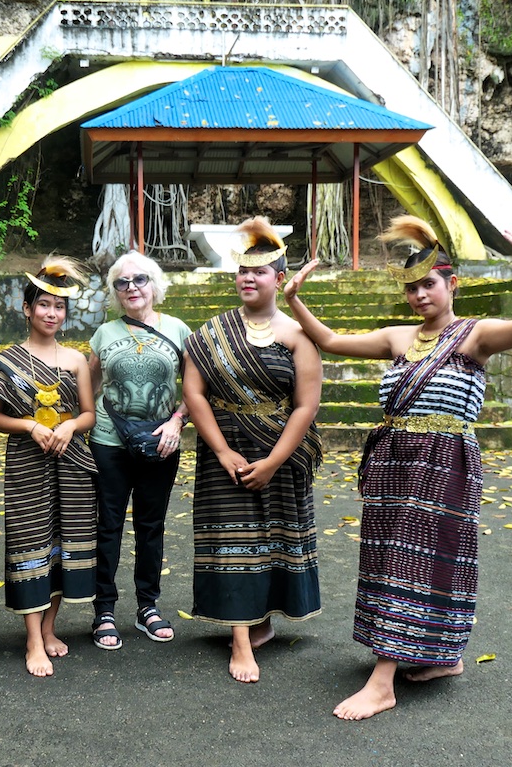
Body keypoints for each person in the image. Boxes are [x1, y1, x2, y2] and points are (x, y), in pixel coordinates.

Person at [283, 217, 512, 720]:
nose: (419, 295)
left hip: (444, 462)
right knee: (390, 557)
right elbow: (331, 340)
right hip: (393, 462)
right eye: (411, 288)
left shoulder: (475, 335)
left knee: (418, 559)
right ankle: (444, 657)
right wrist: (294, 298)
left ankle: (382, 683)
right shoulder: (398, 337)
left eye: (428, 284)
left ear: (452, 284)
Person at [183, 216, 323, 683]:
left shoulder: (299, 335)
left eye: (259, 272)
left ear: (279, 279)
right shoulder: (210, 334)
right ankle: (240, 641)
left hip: (280, 451)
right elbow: (194, 394)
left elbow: (305, 406)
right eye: (242, 271)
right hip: (225, 450)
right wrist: (223, 451)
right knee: (233, 541)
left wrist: (274, 462)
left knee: (272, 541)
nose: (248, 278)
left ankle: (260, 620)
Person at [0, 257, 98, 677]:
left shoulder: (76, 359)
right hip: (27, 460)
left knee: (65, 544)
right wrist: (30, 425)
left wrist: (69, 426)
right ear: (27, 308)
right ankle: (33, 639)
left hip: (72, 461)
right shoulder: (7, 360)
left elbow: (89, 414)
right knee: (29, 540)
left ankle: (49, 627)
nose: (52, 313)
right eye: (44, 305)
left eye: (59, 306)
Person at [89, 250, 192, 650]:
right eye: (122, 282)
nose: (131, 287)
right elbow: (89, 385)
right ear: (115, 291)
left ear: (154, 285)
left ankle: (148, 606)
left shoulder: (178, 330)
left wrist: (177, 421)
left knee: (151, 526)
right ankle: (104, 610)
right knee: (108, 525)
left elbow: (196, 389)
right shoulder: (104, 333)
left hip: (160, 443)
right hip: (108, 441)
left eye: (140, 279)